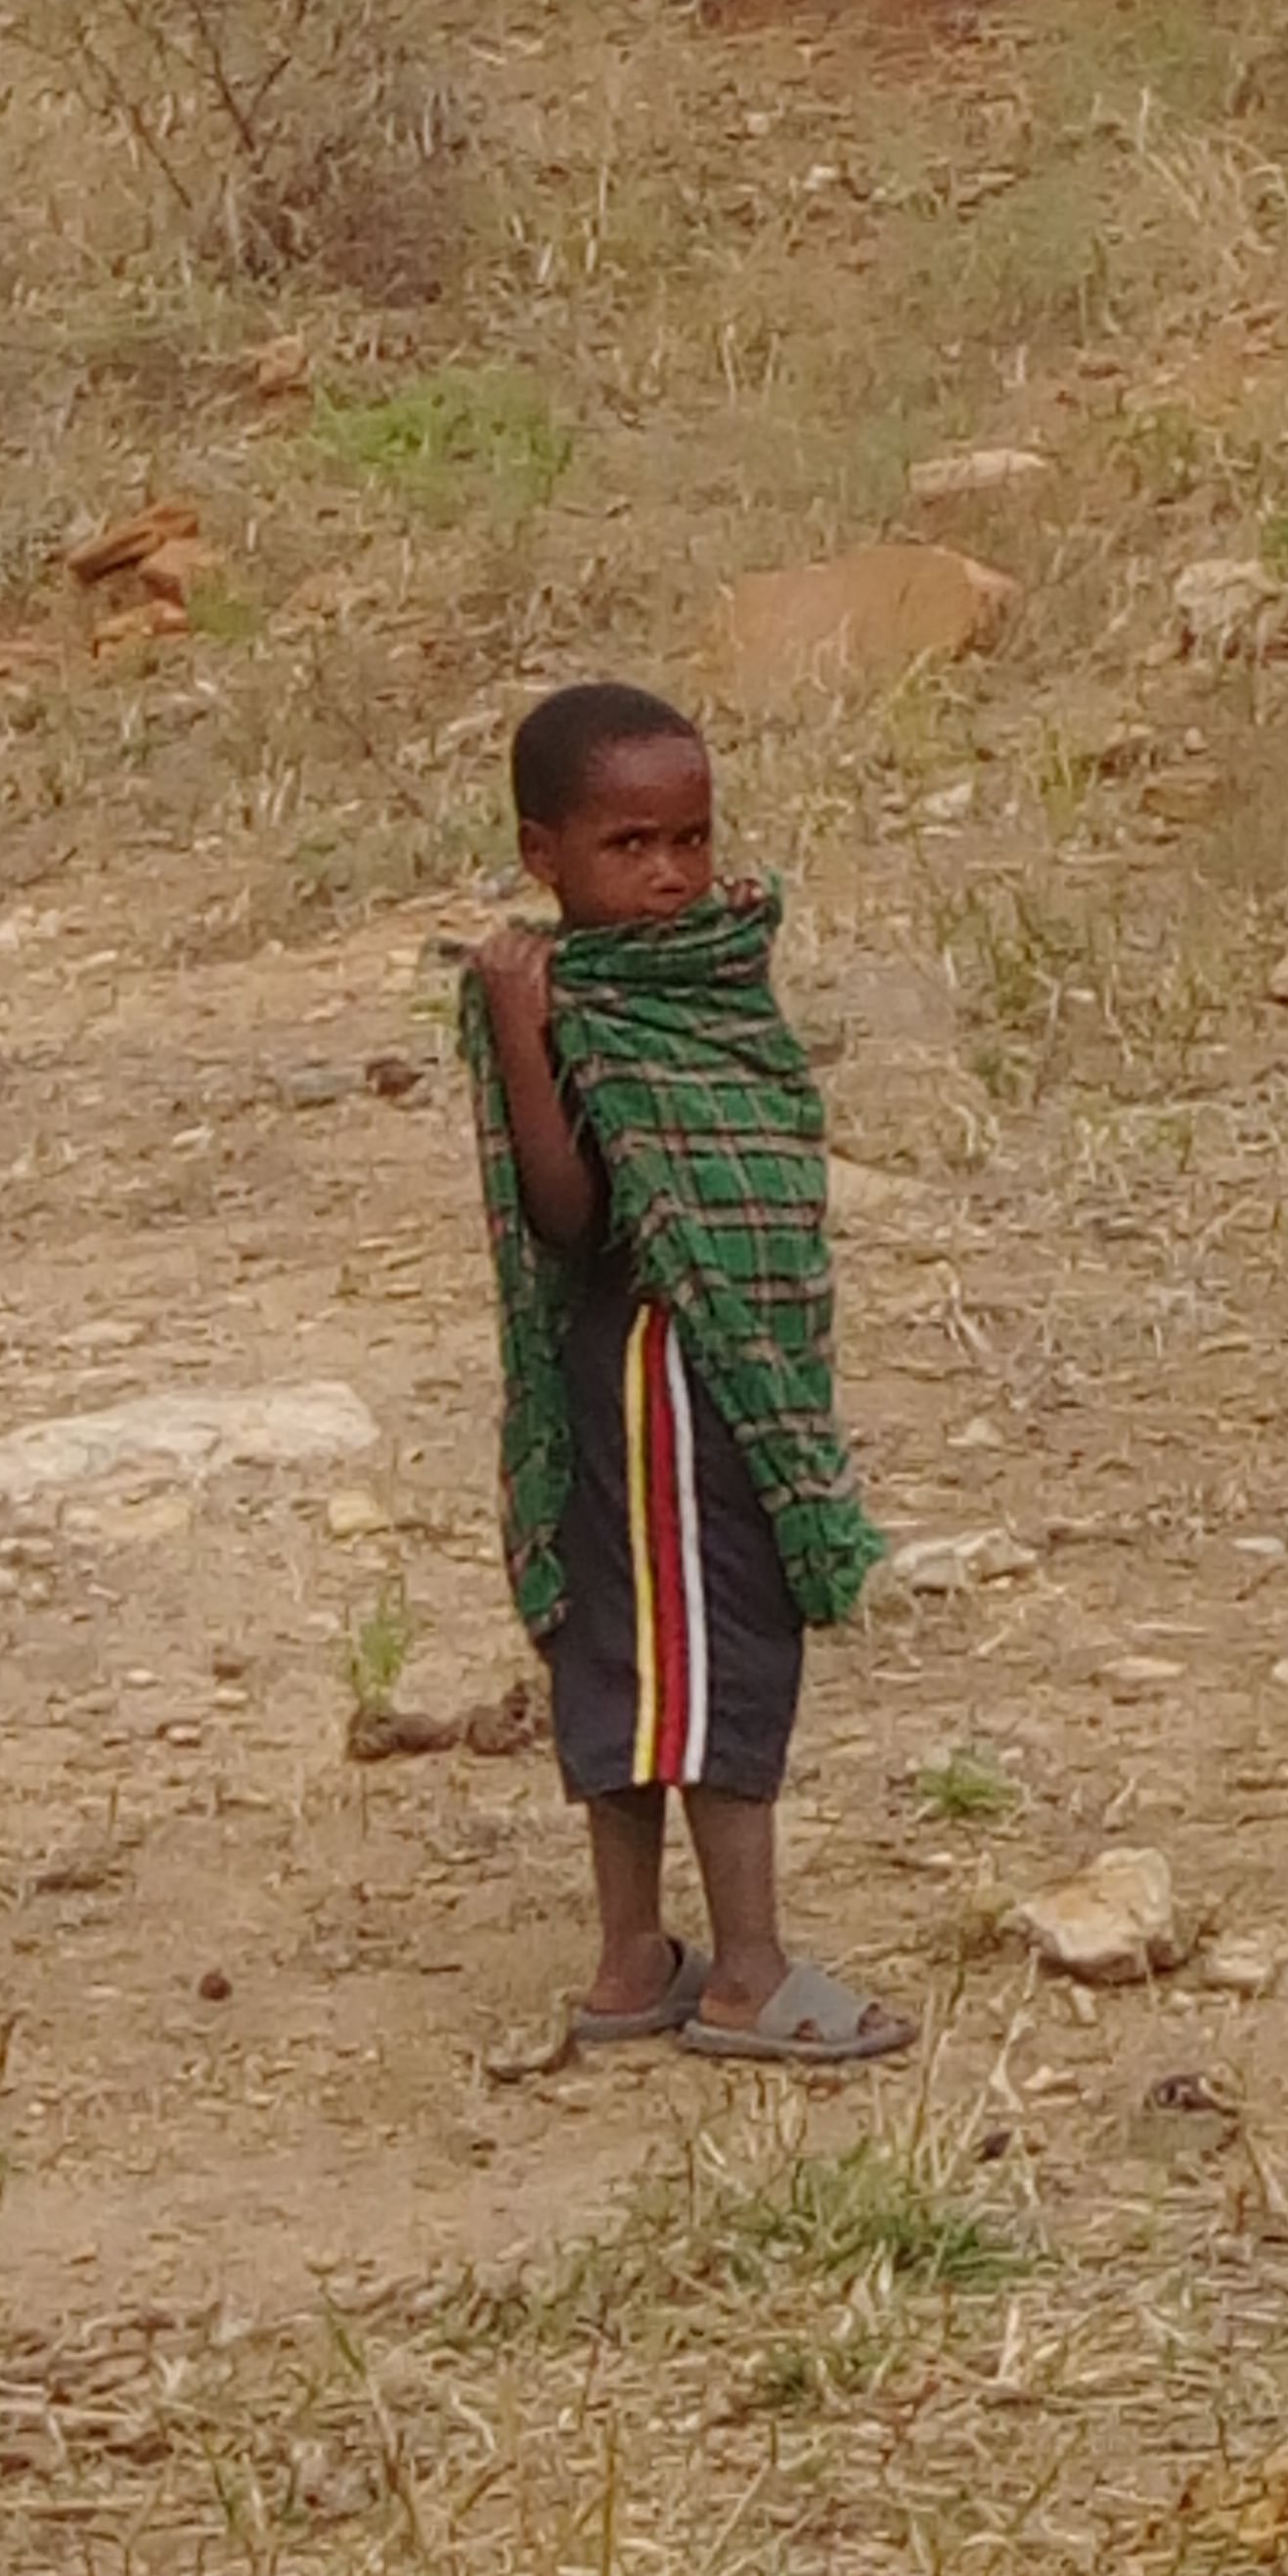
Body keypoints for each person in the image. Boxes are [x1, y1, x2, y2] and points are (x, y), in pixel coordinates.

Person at [460, 680, 913, 2067]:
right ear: (546, 855)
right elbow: (568, 1214)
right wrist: (527, 1036)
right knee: (708, 1660)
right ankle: (747, 1973)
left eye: (689, 840)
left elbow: (747, 1148)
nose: (668, 875)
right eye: (629, 847)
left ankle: (631, 1963)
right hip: (662, 1369)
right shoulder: (559, 1001)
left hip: (702, 1365)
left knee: (647, 1654)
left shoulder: (708, 972)